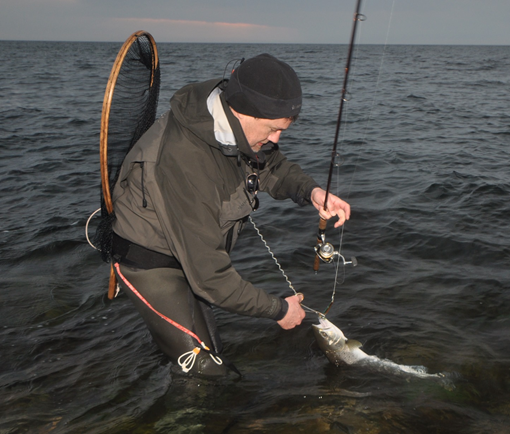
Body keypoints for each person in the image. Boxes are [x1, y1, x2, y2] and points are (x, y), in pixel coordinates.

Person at [109, 53, 351, 376]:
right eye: (273, 129)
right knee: (206, 372)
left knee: (214, 349)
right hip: (149, 259)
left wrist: (312, 192)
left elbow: (271, 166)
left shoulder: (233, 122)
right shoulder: (187, 162)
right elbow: (213, 279)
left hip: (190, 249)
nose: (277, 139)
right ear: (244, 110)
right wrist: (279, 310)